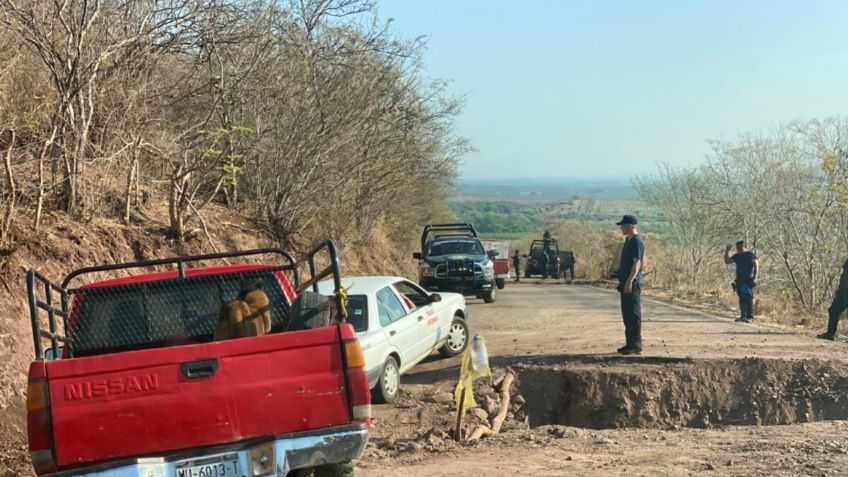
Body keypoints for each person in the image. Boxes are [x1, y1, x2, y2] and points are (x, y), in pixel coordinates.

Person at [615, 215, 644, 355]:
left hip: (632, 283)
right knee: (626, 314)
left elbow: (636, 263)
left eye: (624, 225)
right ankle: (629, 343)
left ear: (631, 226)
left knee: (633, 313)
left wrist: (630, 281)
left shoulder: (636, 241)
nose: (622, 228)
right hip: (624, 282)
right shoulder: (628, 240)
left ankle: (636, 345)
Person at [724, 241, 758, 323]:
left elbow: (756, 266)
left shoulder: (750, 255)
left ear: (745, 247)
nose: (739, 250)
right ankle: (743, 316)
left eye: (740, 248)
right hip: (739, 280)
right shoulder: (737, 255)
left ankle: (750, 317)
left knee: (748, 298)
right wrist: (727, 250)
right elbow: (727, 261)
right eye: (737, 248)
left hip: (748, 280)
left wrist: (755, 278)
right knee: (742, 298)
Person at [817, 258, 848, 340]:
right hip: (843, 290)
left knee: (834, 310)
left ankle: (831, 333)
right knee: (833, 310)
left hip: (845, 290)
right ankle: (830, 333)